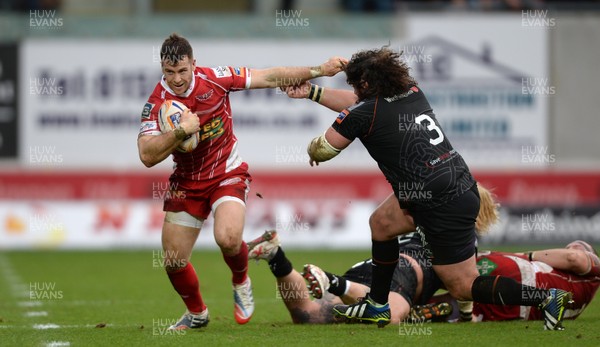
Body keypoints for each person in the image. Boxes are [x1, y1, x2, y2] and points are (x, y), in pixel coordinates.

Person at [282, 46, 573, 330]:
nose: (355, 91)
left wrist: (312, 148)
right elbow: (359, 106)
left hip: (439, 202)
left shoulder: (364, 113)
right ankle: (377, 305)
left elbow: (324, 149)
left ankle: (546, 298)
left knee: (462, 285)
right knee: (381, 223)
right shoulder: (412, 92)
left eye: (357, 85)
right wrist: (312, 92)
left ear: (367, 83)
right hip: (457, 185)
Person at [137, 33, 346, 330]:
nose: (178, 79)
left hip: (226, 173)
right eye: (170, 73)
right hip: (186, 182)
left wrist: (319, 71)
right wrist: (181, 132)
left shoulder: (216, 79)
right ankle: (197, 314)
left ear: (193, 64)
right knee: (173, 260)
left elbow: (270, 76)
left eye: (183, 71)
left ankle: (240, 280)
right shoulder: (156, 103)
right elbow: (146, 155)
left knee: (228, 238)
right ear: (162, 68)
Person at [245, 184, 499, 324]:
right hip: (403, 276)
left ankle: (276, 256)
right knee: (390, 317)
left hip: (372, 268)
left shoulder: (425, 221)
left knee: (307, 315)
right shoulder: (461, 240)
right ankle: (333, 281)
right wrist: (465, 316)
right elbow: (462, 290)